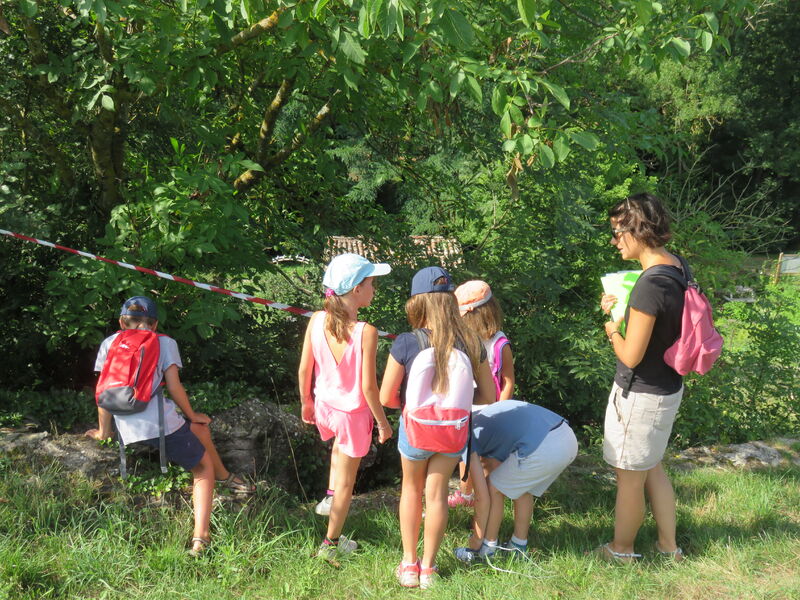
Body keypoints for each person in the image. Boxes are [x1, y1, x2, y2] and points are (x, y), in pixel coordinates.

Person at [87, 296, 253, 557]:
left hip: (125, 426)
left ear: (121, 321)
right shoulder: (164, 342)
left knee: (199, 430)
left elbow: (103, 391)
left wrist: (103, 432)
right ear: (154, 324)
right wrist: (192, 413)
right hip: (157, 424)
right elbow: (173, 386)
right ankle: (201, 537)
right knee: (201, 466)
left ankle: (226, 477)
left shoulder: (110, 343)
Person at [380, 266, 495, 589]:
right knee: (437, 495)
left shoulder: (406, 342)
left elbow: (387, 396)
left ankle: (408, 564)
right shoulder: (471, 341)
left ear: (417, 303)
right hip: (452, 432)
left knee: (411, 491)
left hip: (416, 429)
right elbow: (489, 394)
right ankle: (429, 569)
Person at [597, 192, 686, 563]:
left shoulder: (650, 285)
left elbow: (631, 355)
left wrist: (612, 329)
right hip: (667, 388)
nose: (614, 241)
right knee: (653, 466)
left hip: (641, 395)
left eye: (618, 233)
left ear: (637, 230)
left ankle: (622, 550)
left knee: (630, 477)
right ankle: (669, 547)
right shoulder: (675, 267)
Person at [297, 253, 393, 560]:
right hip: (352, 413)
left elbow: (304, 370)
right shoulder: (366, 331)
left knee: (338, 448)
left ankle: (328, 497)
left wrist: (306, 403)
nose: (374, 289)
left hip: (325, 405)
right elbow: (368, 387)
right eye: (371, 283)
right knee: (347, 483)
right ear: (356, 290)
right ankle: (331, 545)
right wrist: (383, 422)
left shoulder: (315, 319)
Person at [452, 400, 578, 563]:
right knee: (522, 487)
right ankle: (518, 546)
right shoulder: (484, 416)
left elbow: (482, 497)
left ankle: (486, 549)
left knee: (493, 488)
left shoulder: (464, 434)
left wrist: (476, 538)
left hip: (544, 447)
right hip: (566, 438)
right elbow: (494, 464)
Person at [448, 279, 515, 509]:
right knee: (466, 453)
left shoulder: (499, 344)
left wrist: (501, 411)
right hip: (466, 407)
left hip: (491, 409)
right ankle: (465, 494)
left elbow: (508, 380)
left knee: (488, 459)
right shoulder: (462, 340)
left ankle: (488, 498)